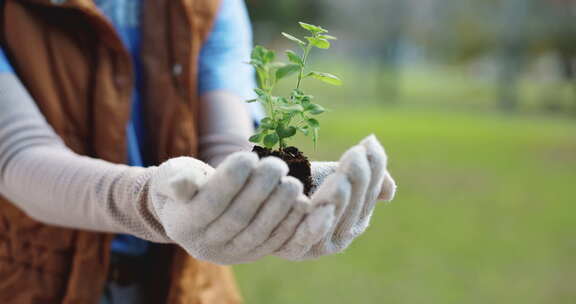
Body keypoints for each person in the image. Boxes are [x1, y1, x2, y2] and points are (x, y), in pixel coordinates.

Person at [0, 0, 397, 303]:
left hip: (187, 285)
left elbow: (226, 148)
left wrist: (277, 196)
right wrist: (150, 202)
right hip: (34, 280)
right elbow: (16, 153)